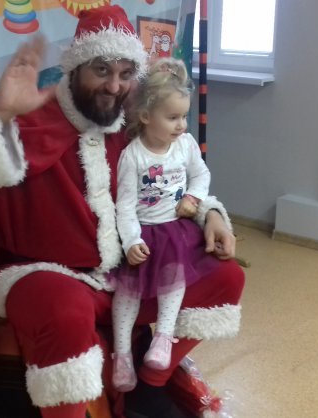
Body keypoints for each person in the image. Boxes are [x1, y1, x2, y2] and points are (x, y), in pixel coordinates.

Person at [0, 5, 244, 418]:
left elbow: (170, 184)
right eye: (101, 70)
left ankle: (151, 385)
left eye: (125, 73)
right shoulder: (32, 119)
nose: (114, 86)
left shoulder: (135, 123)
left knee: (226, 276)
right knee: (64, 314)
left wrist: (209, 214)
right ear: (76, 68)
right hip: (43, 269)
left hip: (129, 269)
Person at [110, 57, 219, 393]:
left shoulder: (185, 145)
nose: (181, 125)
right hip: (143, 232)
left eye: (184, 116)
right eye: (172, 118)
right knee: (127, 291)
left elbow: (201, 175)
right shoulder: (133, 155)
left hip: (174, 230)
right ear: (145, 116)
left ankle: (163, 339)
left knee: (174, 281)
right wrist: (131, 241)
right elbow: (124, 205)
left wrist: (194, 199)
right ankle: (122, 355)